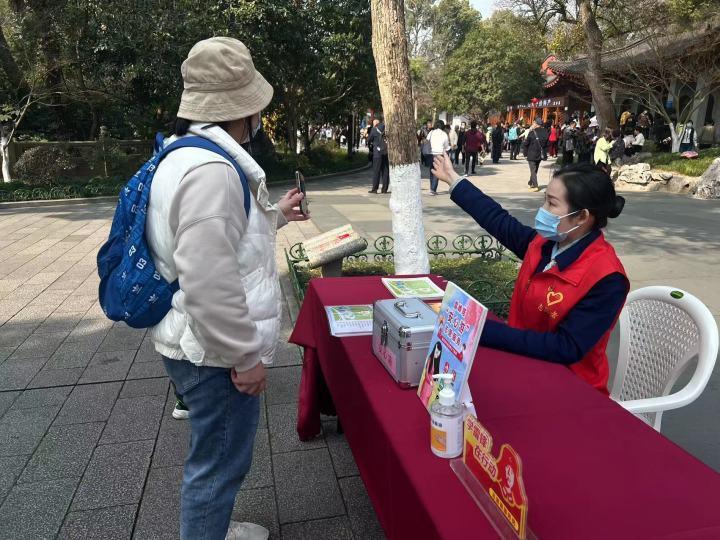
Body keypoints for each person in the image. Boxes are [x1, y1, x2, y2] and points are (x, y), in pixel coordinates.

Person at [146, 37, 310, 540]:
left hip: (196, 339)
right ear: (244, 109)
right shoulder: (214, 172)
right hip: (212, 351)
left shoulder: (184, 154)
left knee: (216, 457)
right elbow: (210, 281)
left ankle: (214, 528)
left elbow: (222, 248)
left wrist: (275, 217)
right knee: (216, 464)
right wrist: (245, 357)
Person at [431, 154, 628, 395]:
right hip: (522, 366)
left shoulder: (607, 278)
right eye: (545, 200)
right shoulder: (544, 245)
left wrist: (479, 329)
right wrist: (453, 179)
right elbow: (498, 221)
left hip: (570, 389)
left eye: (552, 204)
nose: (542, 210)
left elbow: (565, 348)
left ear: (582, 217)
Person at [522, 117, 548, 192]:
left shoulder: (532, 132)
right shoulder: (545, 132)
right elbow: (547, 143)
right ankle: (531, 182)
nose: (532, 124)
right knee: (535, 169)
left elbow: (526, 143)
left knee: (533, 170)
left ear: (536, 124)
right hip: (540, 153)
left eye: (533, 123)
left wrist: (525, 153)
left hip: (532, 153)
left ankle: (535, 185)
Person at [426, 120, 450, 195]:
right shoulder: (444, 134)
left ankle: (431, 188)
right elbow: (446, 146)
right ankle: (433, 189)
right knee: (437, 171)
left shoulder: (431, 132)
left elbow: (427, 140)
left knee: (431, 170)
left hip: (431, 154)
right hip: (440, 154)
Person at [368, 119, 390, 193]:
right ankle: (384, 189)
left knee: (376, 171)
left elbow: (369, 139)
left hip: (377, 153)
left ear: (375, 124)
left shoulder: (374, 129)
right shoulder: (386, 129)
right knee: (385, 171)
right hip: (386, 152)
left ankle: (375, 189)